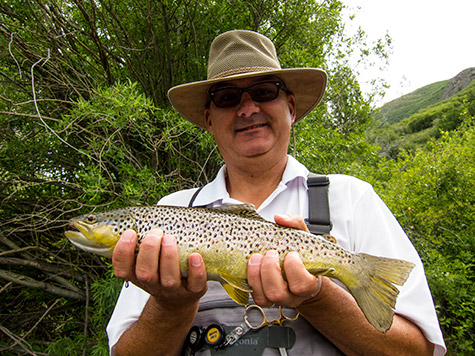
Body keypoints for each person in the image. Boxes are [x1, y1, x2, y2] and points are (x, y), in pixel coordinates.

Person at [106, 30, 446, 355]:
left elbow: (419, 351)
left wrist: (317, 296)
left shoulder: (352, 198)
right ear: (209, 119)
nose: (248, 108)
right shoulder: (169, 212)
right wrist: (171, 305)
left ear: (292, 108)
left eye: (265, 91)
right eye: (227, 97)